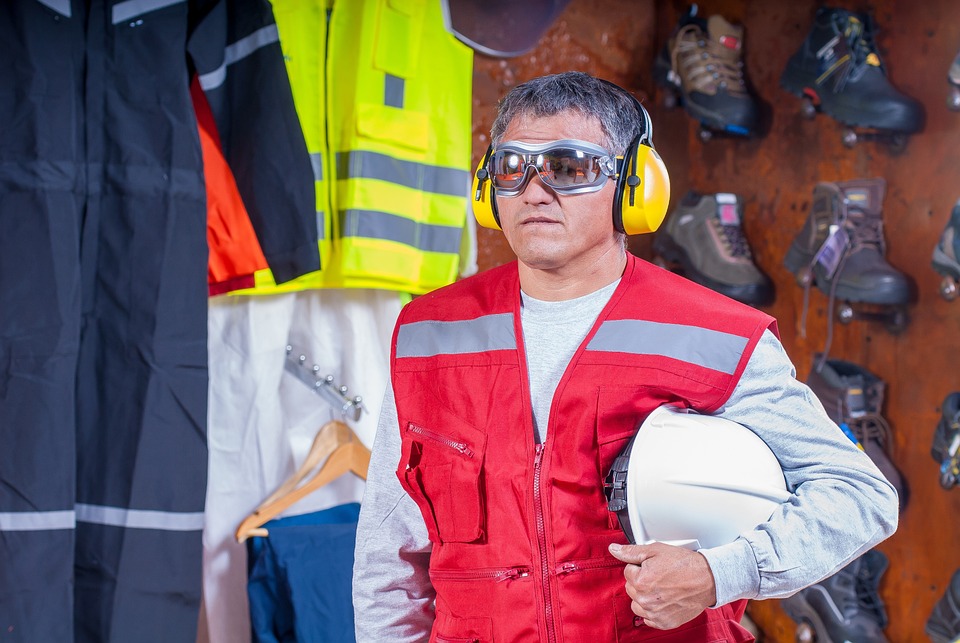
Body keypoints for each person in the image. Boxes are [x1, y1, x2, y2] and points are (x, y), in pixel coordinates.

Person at [352, 71, 898, 642]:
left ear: (633, 186)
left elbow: (861, 494)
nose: (535, 191)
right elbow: (389, 561)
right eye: (512, 167)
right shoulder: (430, 334)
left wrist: (720, 574)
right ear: (488, 188)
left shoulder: (713, 335)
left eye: (569, 167)